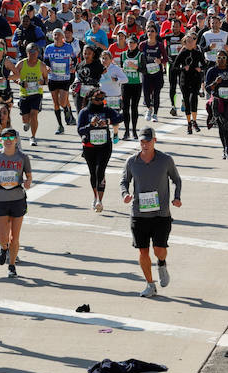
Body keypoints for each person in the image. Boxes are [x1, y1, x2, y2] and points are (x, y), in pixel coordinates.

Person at [120, 127, 183, 297]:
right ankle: (149, 284)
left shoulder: (165, 160)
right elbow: (124, 181)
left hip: (161, 214)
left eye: (148, 141)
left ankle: (161, 263)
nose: (145, 144)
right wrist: (125, 194)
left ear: (155, 140)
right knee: (143, 251)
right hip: (139, 214)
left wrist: (176, 197)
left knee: (158, 250)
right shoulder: (132, 162)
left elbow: (177, 179)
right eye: (142, 141)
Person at [0, 128, 30, 279]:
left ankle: (12, 266)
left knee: (14, 238)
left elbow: (28, 176)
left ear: (16, 140)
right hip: (0, 199)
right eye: (5, 137)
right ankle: (4, 248)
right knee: (3, 237)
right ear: (1, 140)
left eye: (12, 137)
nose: (9, 140)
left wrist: (28, 182)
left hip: (17, 199)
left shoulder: (23, 157)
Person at [77, 87, 123, 213]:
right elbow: (80, 130)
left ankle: (100, 201)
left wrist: (107, 121)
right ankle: (95, 196)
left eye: (103, 99)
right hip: (89, 147)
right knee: (93, 173)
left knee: (100, 171)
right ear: (91, 99)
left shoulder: (106, 110)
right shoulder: (84, 112)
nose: (101, 101)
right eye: (98, 99)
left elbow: (120, 117)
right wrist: (90, 125)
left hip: (104, 146)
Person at [204, 51, 228, 159]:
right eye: (219, 57)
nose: (221, 59)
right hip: (218, 101)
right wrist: (215, 83)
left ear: (227, 58)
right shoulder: (212, 71)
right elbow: (207, 88)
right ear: (216, 59)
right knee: (221, 125)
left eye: (224, 57)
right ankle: (225, 148)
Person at [16, 43, 47, 145]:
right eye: (30, 52)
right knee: (25, 119)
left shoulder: (41, 65)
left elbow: (46, 79)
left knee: (34, 115)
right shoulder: (21, 64)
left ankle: (33, 137)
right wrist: (21, 82)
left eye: (35, 52)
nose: (33, 54)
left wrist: (43, 82)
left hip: (36, 94)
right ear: (27, 53)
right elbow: (13, 76)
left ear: (38, 53)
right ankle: (27, 122)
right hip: (24, 94)